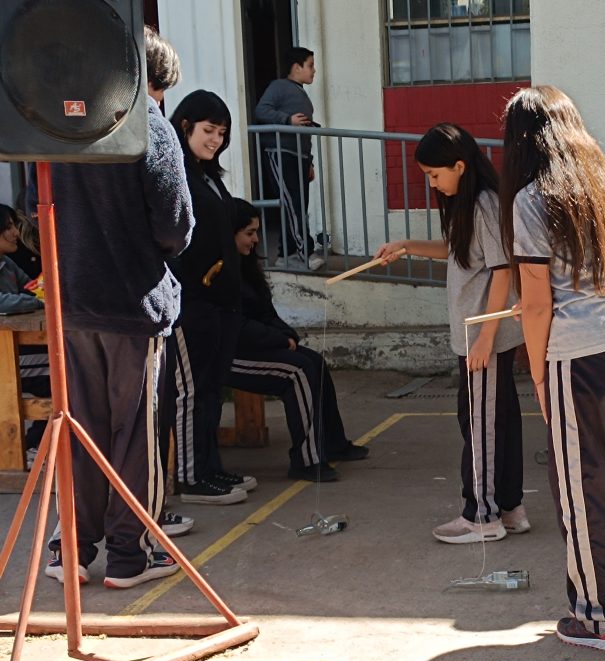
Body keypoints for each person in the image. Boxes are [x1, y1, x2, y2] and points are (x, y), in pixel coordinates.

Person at [501, 85, 605, 652]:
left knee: (584, 488)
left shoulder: (532, 198)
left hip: (588, 354)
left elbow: (537, 301)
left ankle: (600, 617)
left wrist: (541, 376)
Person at [38, 26, 194, 588]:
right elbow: (175, 227)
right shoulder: (151, 126)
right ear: (154, 80)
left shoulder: (57, 125)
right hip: (132, 303)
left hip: (72, 302)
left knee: (79, 427)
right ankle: (132, 554)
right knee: (134, 432)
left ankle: (71, 551)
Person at [376, 123, 527, 544]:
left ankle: (481, 516)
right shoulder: (470, 204)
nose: (432, 183)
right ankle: (510, 509)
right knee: (499, 423)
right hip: (480, 336)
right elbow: (457, 249)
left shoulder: (485, 203)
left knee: (479, 425)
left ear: (460, 165)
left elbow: (502, 272)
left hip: (484, 337)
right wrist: (405, 245)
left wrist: (485, 337)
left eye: (435, 174)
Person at [228, 199, 368, 482]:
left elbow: (266, 313)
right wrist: (276, 341)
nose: (256, 239)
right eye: (249, 233)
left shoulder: (246, 268)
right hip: (227, 355)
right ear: (229, 233)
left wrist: (286, 335)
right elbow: (236, 327)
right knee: (297, 372)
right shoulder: (222, 273)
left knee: (315, 362)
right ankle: (306, 461)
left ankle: (333, 443)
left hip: (255, 345)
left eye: (256, 232)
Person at [169, 90, 256, 505]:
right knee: (191, 391)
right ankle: (189, 477)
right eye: (208, 131)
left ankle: (210, 468)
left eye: (221, 133)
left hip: (219, 302)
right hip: (190, 302)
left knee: (209, 389)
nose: (215, 140)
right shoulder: (174, 173)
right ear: (185, 126)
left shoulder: (207, 175)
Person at [255, 46, 324, 271]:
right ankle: (306, 252)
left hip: (300, 156)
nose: (314, 70)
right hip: (281, 153)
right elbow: (261, 110)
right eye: (310, 65)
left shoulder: (301, 94)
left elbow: (304, 131)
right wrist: (287, 120)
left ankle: (287, 255)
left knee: (297, 206)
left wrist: (309, 161)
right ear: (297, 67)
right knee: (293, 204)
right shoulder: (279, 87)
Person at [0, 204, 48, 468]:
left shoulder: (6, 264)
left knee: (69, 373)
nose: (15, 233)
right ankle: (33, 447)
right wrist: (39, 301)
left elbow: (31, 291)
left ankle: (35, 445)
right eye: (7, 227)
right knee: (60, 382)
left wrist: (40, 293)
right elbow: (4, 302)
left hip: (16, 351)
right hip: (7, 357)